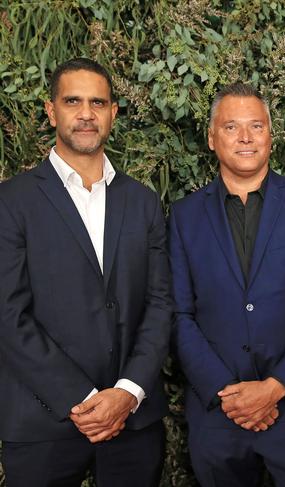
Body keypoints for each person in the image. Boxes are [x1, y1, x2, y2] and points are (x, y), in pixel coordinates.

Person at [0, 58, 172, 486]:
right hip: (43, 422)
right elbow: (7, 314)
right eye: (72, 100)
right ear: (51, 110)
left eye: (98, 102)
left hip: (132, 422)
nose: (86, 113)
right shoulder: (11, 202)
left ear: (113, 112)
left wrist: (128, 392)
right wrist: (84, 399)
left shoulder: (143, 202)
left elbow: (160, 303)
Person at [168, 82, 285, 487]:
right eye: (232, 127)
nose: (246, 138)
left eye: (256, 126)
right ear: (212, 138)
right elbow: (179, 314)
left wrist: (274, 387)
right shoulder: (183, 217)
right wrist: (227, 393)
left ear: (271, 134)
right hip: (218, 415)